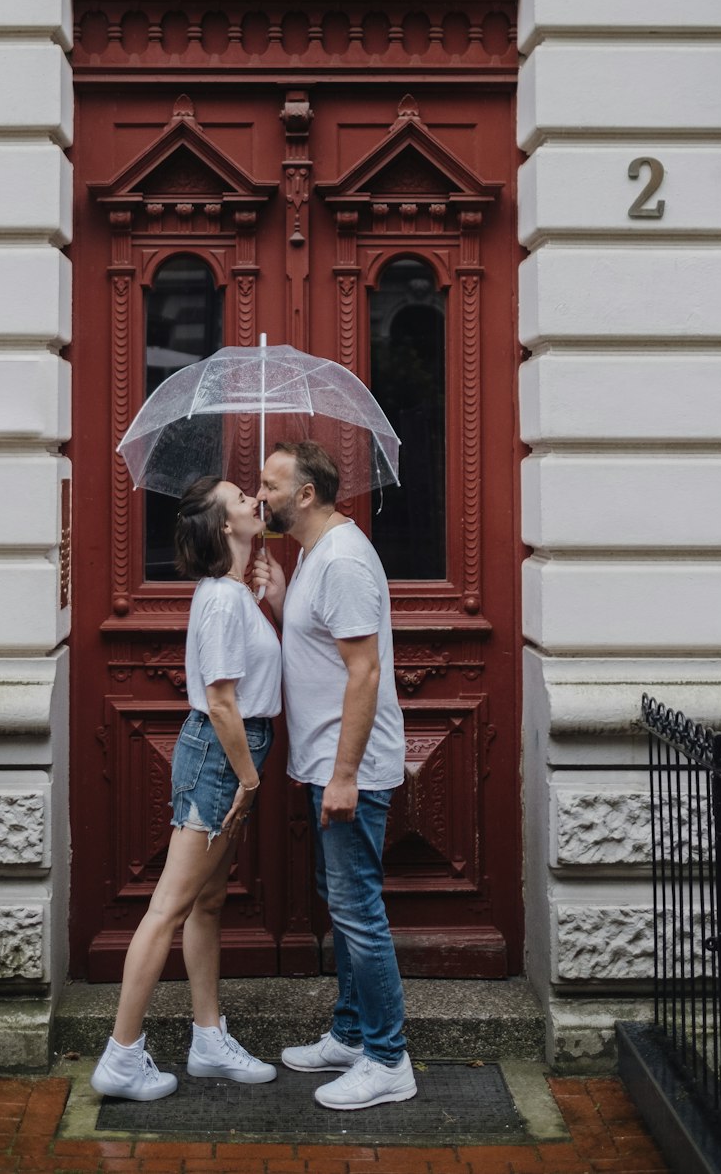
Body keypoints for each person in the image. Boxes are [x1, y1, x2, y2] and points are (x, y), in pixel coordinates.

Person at [91, 476, 281, 1101]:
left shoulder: (230, 593)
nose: (256, 500)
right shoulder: (224, 600)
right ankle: (121, 1056)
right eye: (241, 499)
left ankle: (207, 1039)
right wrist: (248, 779)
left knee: (207, 904)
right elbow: (224, 703)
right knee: (168, 907)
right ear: (224, 526)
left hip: (230, 752)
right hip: (221, 758)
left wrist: (270, 596)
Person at [253, 441, 416, 1111]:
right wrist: (285, 594)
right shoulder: (315, 555)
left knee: (359, 913)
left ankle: (387, 1059)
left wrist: (345, 775)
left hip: (347, 766)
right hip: (325, 760)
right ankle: (351, 1036)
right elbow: (323, 641)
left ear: (307, 495)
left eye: (269, 484)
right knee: (345, 909)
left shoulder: (344, 560)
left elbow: (364, 671)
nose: (259, 495)